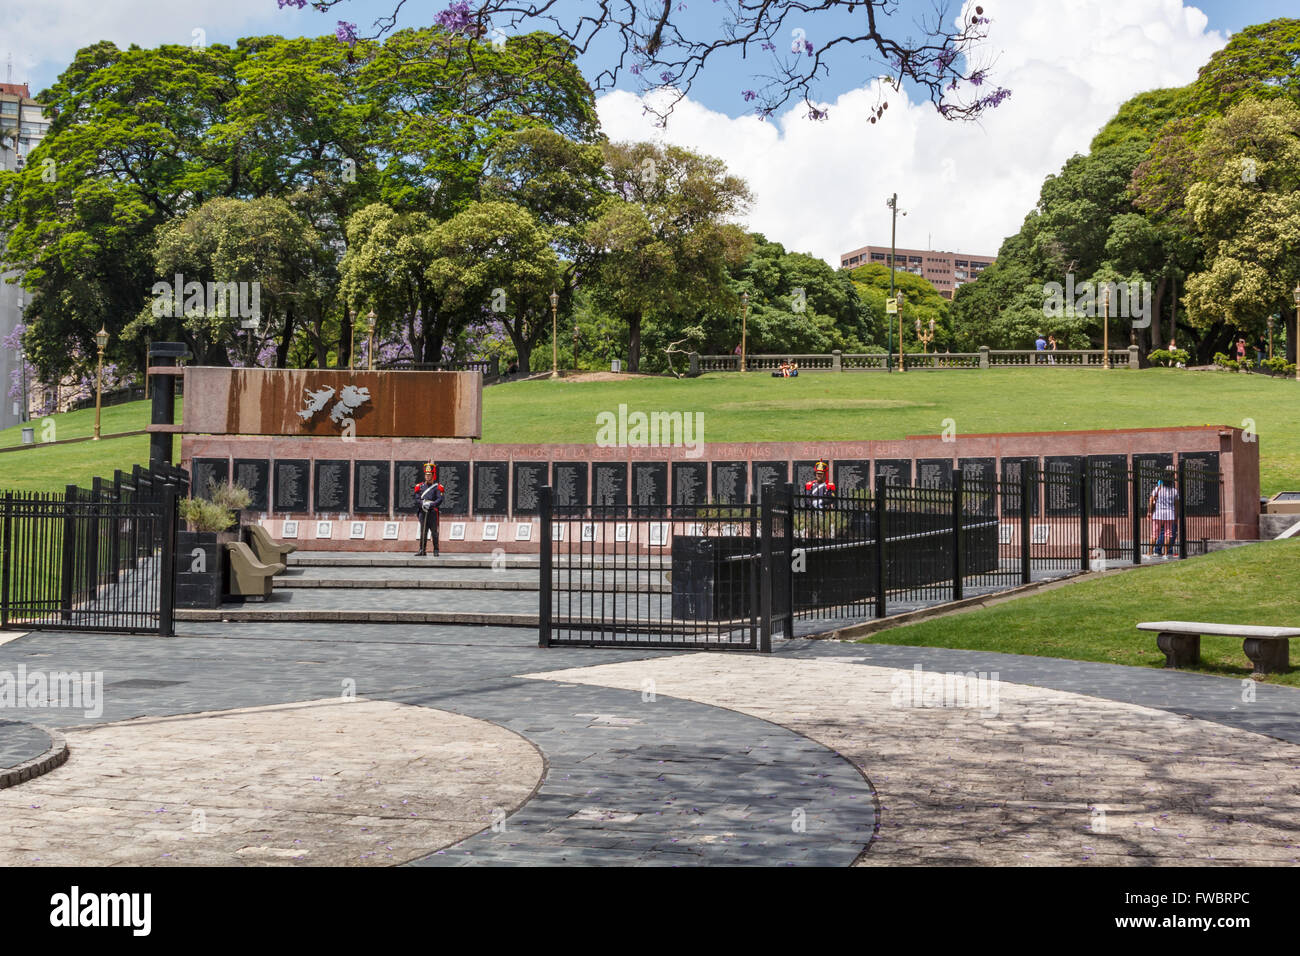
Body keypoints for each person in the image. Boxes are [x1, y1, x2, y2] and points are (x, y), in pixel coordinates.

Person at [413, 462, 444, 556]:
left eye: (429, 475)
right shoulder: (419, 486)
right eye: (426, 475)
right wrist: (423, 503)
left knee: (434, 532)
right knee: (423, 532)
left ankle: (436, 550)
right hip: (423, 511)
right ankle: (422, 550)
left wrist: (431, 504)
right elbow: (416, 498)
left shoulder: (438, 487)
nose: (427, 476)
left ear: (433, 475)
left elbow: (440, 499)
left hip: (432, 512)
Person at [1149, 469, 1179, 559]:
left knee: (1155, 534)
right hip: (1170, 514)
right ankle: (1166, 554)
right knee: (1168, 534)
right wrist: (1176, 516)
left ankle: (1150, 552)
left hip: (1158, 514)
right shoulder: (1174, 491)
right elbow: (1176, 505)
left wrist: (1149, 512)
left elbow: (1151, 500)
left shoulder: (1158, 489)